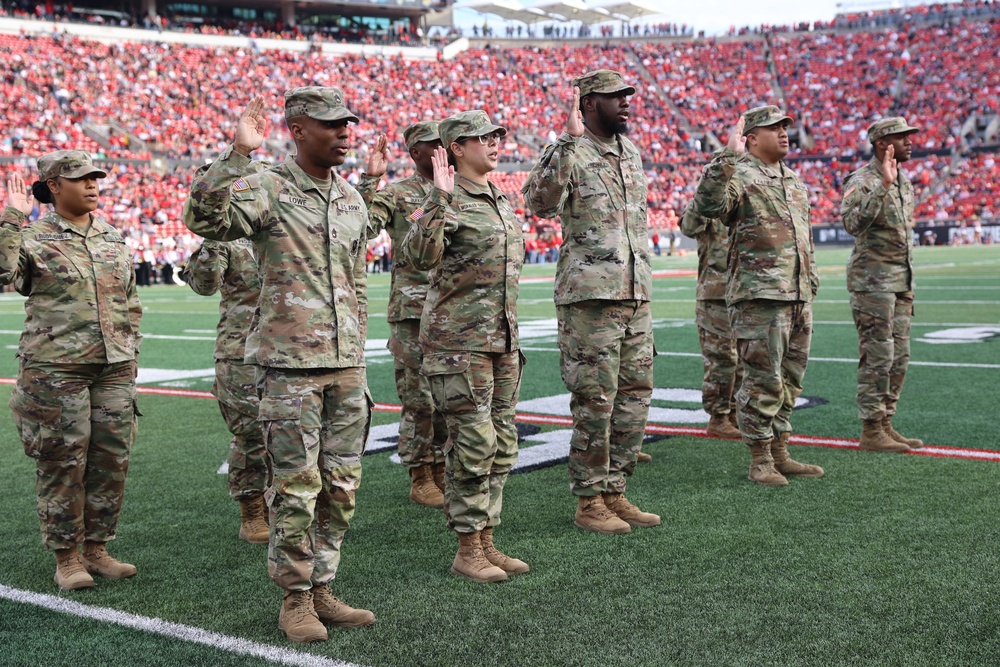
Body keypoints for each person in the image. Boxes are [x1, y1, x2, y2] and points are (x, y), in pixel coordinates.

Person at [184, 89, 375, 643]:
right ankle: (294, 599)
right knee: (294, 489)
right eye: (331, 125)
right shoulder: (267, 185)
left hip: (345, 366)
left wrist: (358, 344)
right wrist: (236, 157)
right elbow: (205, 220)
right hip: (290, 369)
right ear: (297, 128)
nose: (344, 133)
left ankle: (323, 588)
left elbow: (356, 280)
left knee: (341, 489)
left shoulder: (349, 198)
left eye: (347, 124)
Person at [522, 70, 659, 535]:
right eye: (614, 96)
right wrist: (565, 142)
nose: (625, 102)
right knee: (595, 401)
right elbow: (539, 203)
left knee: (635, 399)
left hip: (635, 294)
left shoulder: (631, 153)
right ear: (586, 103)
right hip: (591, 299)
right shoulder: (569, 150)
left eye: (627, 95)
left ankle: (616, 490)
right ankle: (589, 499)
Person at [1, 151, 142, 590]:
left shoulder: (111, 236)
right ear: (54, 186)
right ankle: (67, 557)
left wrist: (130, 348)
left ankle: (97, 549)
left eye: (95, 177)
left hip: (113, 366)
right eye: (81, 178)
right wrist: (10, 220)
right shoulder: (33, 236)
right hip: (55, 369)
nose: (93, 184)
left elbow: (130, 297)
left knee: (111, 460)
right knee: (63, 461)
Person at [403, 110, 528, 583]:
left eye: (497, 136)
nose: (494, 143)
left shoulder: (499, 197)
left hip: (501, 340)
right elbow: (417, 257)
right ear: (456, 147)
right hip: (460, 344)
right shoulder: (443, 197)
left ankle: (488, 540)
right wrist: (438, 197)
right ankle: (467, 548)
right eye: (483, 137)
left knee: (502, 445)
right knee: (473, 445)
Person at [691, 106, 824, 486]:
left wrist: (809, 283)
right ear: (750, 137)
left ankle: (781, 451)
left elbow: (805, 241)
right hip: (759, 295)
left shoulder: (794, 180)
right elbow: (707, 207)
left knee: (791, 379)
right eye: (773, 128)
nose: (784, 133)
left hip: (796, 294)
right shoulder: (740, 174)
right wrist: (726, 159)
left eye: (785, 127)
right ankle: (760, 458)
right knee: (762, 379)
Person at [356, 121, 449, 509]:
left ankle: (444, 467)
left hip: (457, 308)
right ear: (415, 153)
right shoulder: (398, 194)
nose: (443, 150)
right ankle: (421, 473)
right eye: (433, 146)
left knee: (452, 397)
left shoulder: (463, 189)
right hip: (413, 310)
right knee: (420, 400)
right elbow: (358, 227)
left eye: (446, 143)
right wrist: (369, 180)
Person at [183, 189, 272, 541]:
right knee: (251, 435)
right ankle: (252, 510)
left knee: (291, 435)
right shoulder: (227, 239)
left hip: (289, 347)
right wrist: (212, 236)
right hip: (240, 352)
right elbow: (204, 285)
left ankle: (282, 503)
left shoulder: (279, 229)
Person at [841, 117, 924, 453]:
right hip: (872, 281)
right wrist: (883, 187)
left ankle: (887, 422)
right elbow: (852, 223)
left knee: (899, 357)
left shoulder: (904, 181)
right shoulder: (863, 179)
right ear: (881, 143)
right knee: (878, 356)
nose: (909, 142)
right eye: (902, 137)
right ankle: (871, 428)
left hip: (900, 280)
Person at [678, 204, 742, 440]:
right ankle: (719, 417)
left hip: (747, 291)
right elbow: (688, 226)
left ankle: (736, 414)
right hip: (716, 292)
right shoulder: (710, 200)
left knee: (745, 360)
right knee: (722, 358)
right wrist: (708, 194)